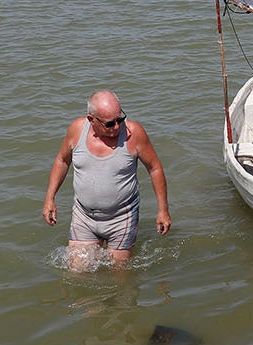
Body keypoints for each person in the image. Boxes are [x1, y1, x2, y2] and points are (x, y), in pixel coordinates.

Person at [43, 90, 170, 270]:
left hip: (122, 218)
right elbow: (62, 161)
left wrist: (163, 210)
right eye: (110, 124)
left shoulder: (134, 134)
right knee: (77, 273)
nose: (117, 127)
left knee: (119, 279)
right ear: (91, 119)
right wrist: (50, 198)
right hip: (84, 216)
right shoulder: (77, 130)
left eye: (120, 119)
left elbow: (155, 168)